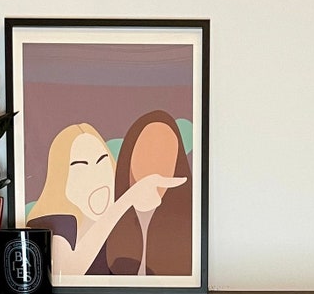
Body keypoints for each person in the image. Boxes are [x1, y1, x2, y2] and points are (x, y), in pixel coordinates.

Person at [27, 123, 186, 277]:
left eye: (101, 160)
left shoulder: (123, 231)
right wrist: (127, 200)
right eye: (81, 166)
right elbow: (68, 270)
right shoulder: (56, 222)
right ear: (61, 178)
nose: (95, 174)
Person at [107, 111, 193, 277]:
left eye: (167, 153)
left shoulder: (187, 222)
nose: (157, 164)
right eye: (148, 150)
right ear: (129, 155)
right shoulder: (107, 219)